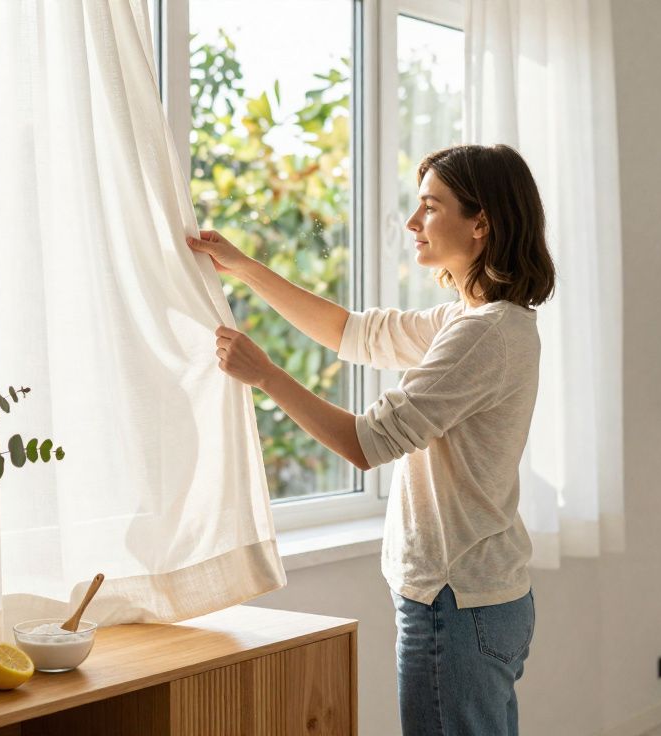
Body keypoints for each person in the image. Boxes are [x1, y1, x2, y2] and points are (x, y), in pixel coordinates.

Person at [186, 143, 554, 735]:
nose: (413, 223)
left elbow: (366, 443)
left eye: (430, 207)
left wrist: (267, 376)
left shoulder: (484, 336)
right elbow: (350, 333)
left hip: (456, 598)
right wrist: (246, 269)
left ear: (481, 222)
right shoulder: (472, 320)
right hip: (476, 596)